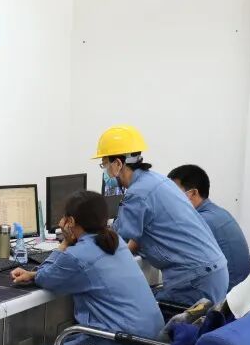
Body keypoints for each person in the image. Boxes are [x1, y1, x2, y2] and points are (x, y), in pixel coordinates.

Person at [11, 190, 163, 345]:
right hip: (151, 338)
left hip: (125, 342)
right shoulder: (115, 241)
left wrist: (65, 242)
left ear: (71, 222)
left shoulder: (77, 255)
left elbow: (46, 278)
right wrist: (33, 274)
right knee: (69, 340)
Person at [94, 125, 229, 306]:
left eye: (105, 164)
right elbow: (142, 233)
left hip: (194, 280)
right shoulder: (157, 180)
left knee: (140, 313)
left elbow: (114, 243)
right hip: (211, 273)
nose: (105, 171)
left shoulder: (138, 193)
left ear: (118, 164)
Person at [168, 164, 250, 291]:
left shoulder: (202, 221)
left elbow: (167, 251)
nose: (168, 198)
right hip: (239, 287)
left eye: (173, 192)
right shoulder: (218, 212)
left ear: (193, 193)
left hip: (225, 294)